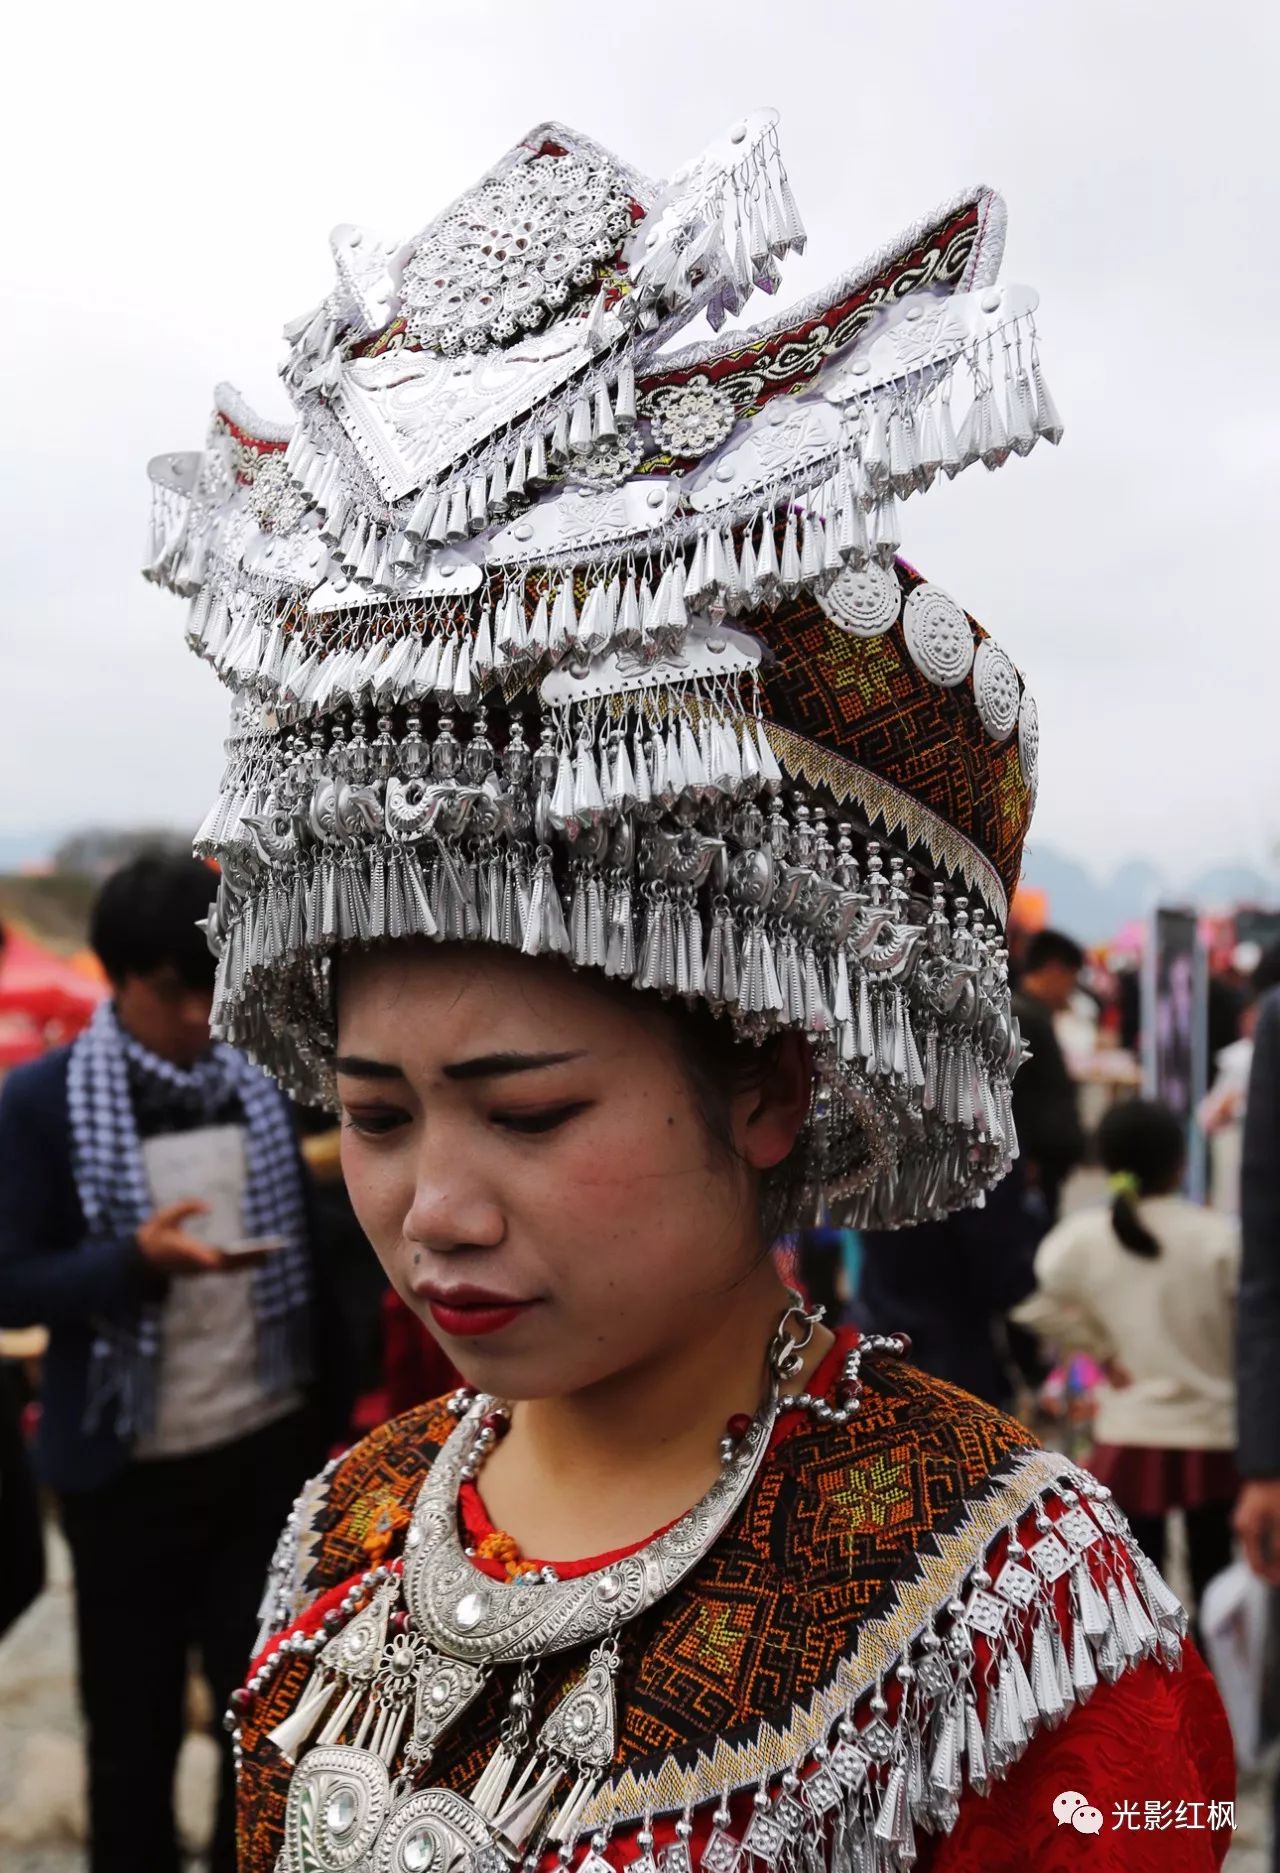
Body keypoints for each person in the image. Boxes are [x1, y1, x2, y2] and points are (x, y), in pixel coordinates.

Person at [146, 116, 1232, 1872]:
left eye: (529, 1109)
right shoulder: (344, 1525)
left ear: (769, 1085)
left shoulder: (1026, 1609)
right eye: (369, 1113)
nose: (433, 1208)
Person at [0, 855, 330, 1873]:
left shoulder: (265, 1073)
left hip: (264, 1450)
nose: (197, 1012)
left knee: (265, 1718)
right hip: (126, 1470)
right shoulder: (43, 1103)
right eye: (173, 991)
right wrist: (131, 1263)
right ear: (119, 979)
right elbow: (12, 1285)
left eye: (210, 984)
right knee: (130, 1734)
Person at [1012, 1099, 1239, 1630]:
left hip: (1130, 1433)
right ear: (1181, 1162)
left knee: (1143, 1595)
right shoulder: (1221, 1239)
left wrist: (1100, 1349)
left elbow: (1028, 1302)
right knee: (1217, 1580)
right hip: (1216, 1433)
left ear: (1108, 1163)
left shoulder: (1079, 1239)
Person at [857, 1160, 1039, 1410]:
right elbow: (998, 1260)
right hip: (953, 1340)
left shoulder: (873, 1138)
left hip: (884, 1325)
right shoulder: (970, 1138)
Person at [1010, 929, 1087, 1226]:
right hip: (1033, 1163)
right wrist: (1022, 1157)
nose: (1071, 989)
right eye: (1071, 978)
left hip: (1040, 1160)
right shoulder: (1024, 1017)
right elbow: (1012, 1094)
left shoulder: (1032, 1013)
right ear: (1054, 970)